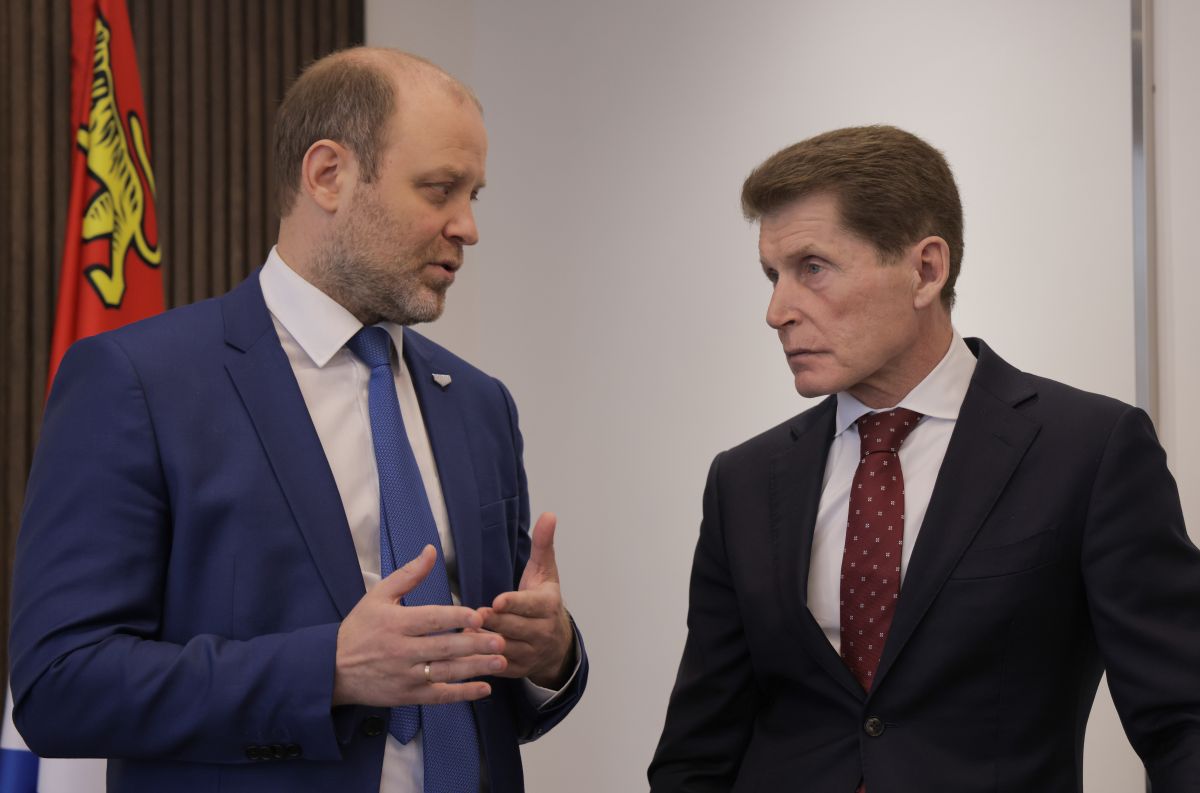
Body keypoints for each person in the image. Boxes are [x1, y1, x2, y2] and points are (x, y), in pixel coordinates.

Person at [10, 48, 586, 793]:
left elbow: (488, 687)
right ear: (327, 175)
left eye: (473, 194)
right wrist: (328, 670)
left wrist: (548, 653)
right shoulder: (138, 382)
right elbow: (60, 685)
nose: (468, 227)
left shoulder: (479, 403)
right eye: (440, 189)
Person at [648, 125, 1200, 792]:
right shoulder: (743, 481)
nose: (777, 311)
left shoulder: (1089, 450)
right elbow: (697, 754)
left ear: (925, 270)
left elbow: (1183, 718)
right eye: (773, 275)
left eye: (812, 268)